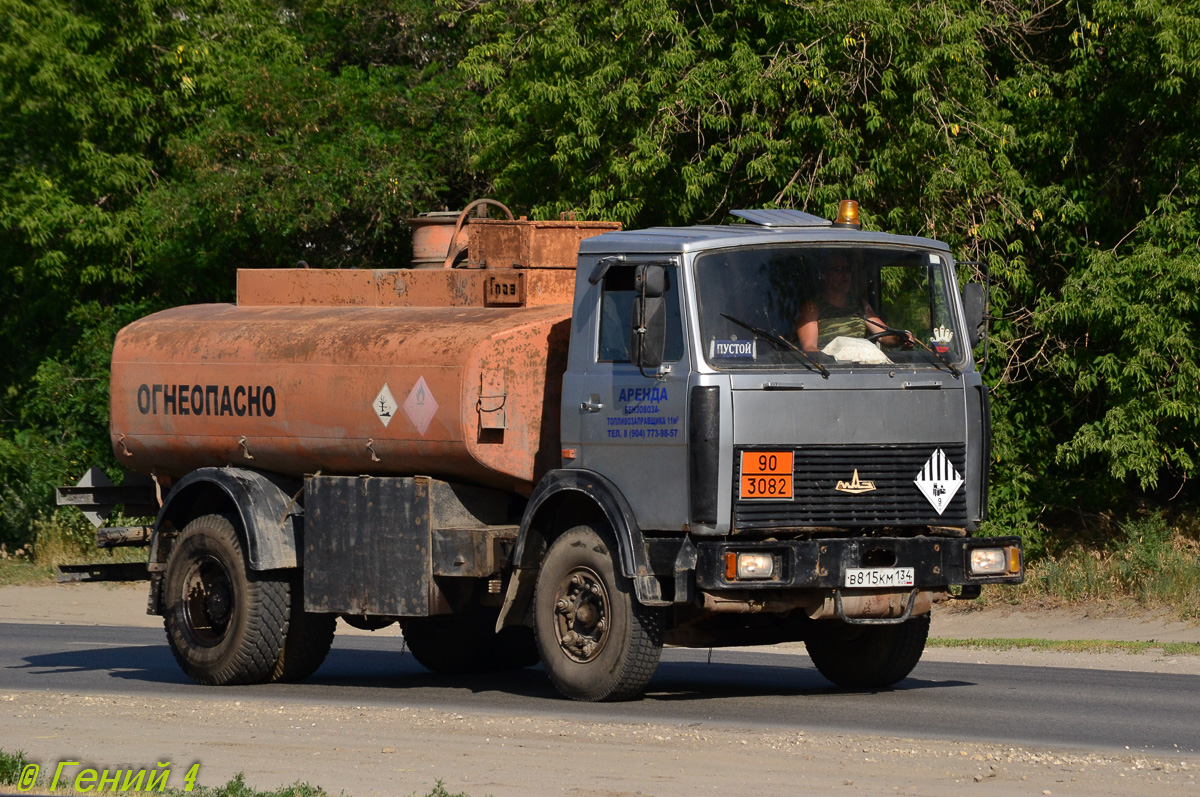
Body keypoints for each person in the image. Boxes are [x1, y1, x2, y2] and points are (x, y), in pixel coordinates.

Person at [797, 254, 912, 351]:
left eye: (848, 270)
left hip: (861, 369)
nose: (845, 274)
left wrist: (900, 338)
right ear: (824, 275)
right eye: (839, 270)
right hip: (830, 372)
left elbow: (884, 336)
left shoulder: (860, 305)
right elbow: (810, 349)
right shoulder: (812, 308)